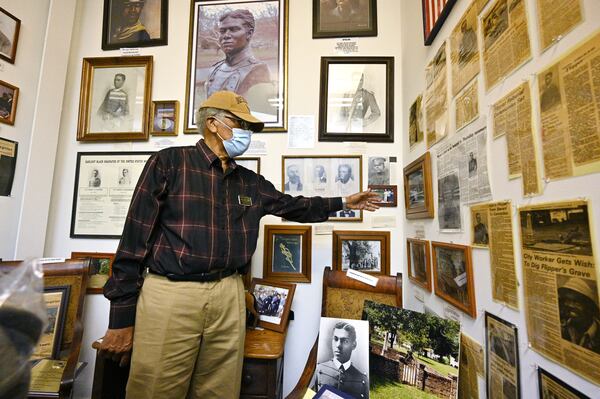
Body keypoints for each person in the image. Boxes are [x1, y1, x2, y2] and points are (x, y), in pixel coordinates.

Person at [94, 90, 379, 398]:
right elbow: (133, 240)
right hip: (171, 294)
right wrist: (121, 318)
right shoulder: (170, 163)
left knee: (220, 390)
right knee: (155, 389)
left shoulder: (249, 181)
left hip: (229, 295)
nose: (247, 134)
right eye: (241, 124)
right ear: (214, 124)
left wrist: (343, 201)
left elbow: (294, 206)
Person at [205, 10, 272, 112]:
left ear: (249, 33)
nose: (226, 36)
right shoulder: (214, 69)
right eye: (222, 31)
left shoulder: (258, 70)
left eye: (233, 30)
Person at [315, 321, 369, 398]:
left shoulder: (362, 379)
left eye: (345, 341)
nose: (338, 345)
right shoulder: (319, 369)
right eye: (335, 339)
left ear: (354, 345)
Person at [559, 278, 600, 354]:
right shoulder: (563, 328)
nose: (570, 306)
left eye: (576, 302)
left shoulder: (597, 334)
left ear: (589, 307)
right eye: (567, 301)